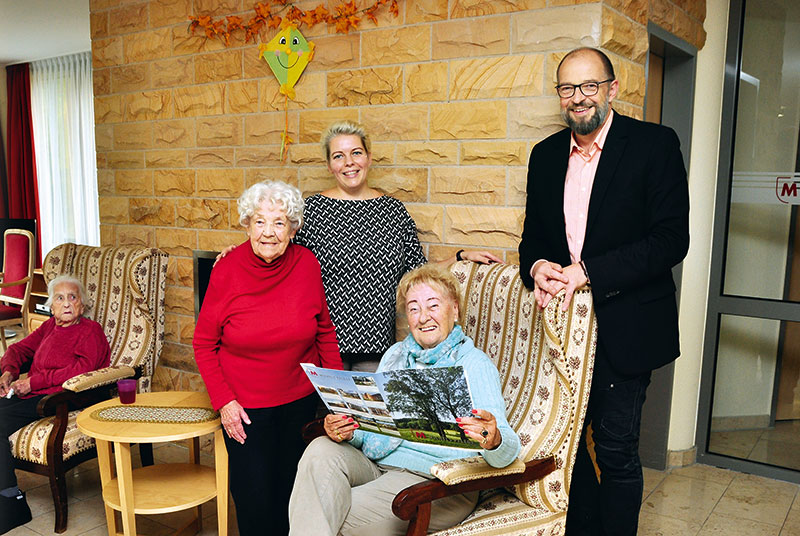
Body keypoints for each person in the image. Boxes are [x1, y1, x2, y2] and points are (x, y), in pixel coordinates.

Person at [518, 47, 690, 536]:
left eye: (589, 86)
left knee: (615, 450)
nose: (579, 98)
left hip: (628, 327)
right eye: (568, 88)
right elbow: (532, 237)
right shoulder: (544, 154)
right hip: (563, 330)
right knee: (565, 444)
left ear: (612, 89)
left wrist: (586, 270)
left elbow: (671, 240)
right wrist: (539, 266)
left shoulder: (655, 145)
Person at [288, 264, 521, 536]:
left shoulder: (474, 365)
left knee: (322, 510)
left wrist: (493, 440)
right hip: (380, 463)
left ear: (455, 310)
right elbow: (374, 427)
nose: (423, 317)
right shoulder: (396, 355)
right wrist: (348, 429)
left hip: (437, 484)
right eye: (413, 308)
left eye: (433, 306)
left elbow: (507, 450)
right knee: (319, 450)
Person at [193, 180, 342, 536]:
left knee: (294, 497)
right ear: (246, 225)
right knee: (255, 501)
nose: (269, 232)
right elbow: (203, 344)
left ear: (293, 228)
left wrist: (338, 398)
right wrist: (225, 402)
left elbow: (324, 332)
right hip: (245, 409)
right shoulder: (227, 270)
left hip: (300, 403)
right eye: (259, 221)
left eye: (279, 222)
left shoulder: (307, 264)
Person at [0, 275, 111, 535]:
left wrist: (34, 381)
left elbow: (82, 369)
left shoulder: (89, 331)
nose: (67, 303)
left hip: (60, 398)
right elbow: (18, 350)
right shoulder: (50, 327)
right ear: (51, 306)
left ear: (82, 305)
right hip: (33, 392)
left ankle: (12, 502)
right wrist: (8, 372)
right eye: (60, 298)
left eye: (73, 297)